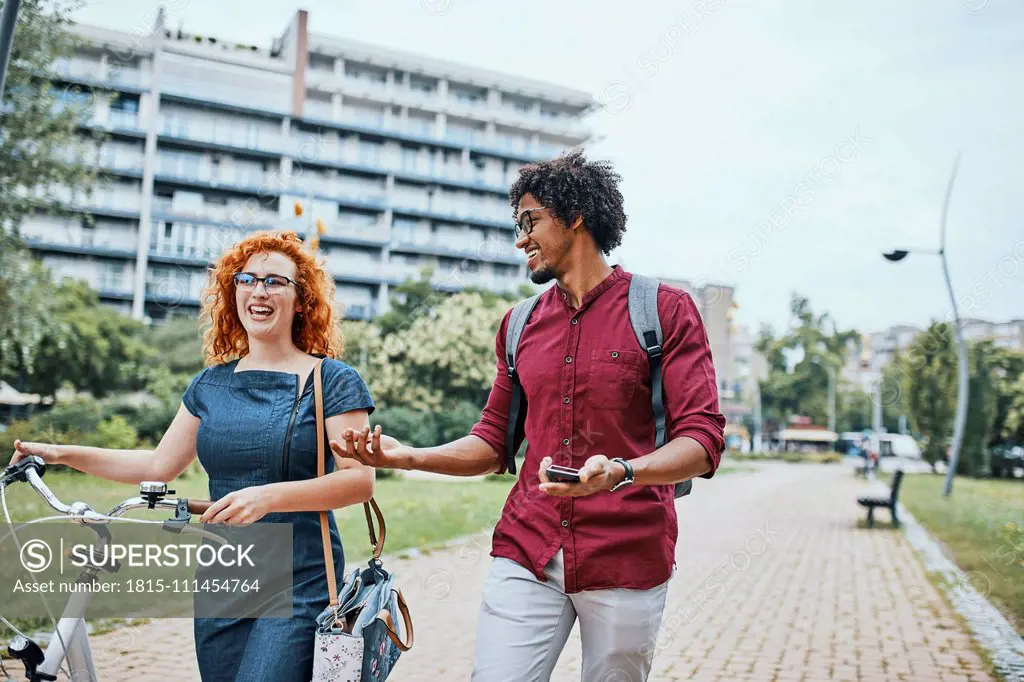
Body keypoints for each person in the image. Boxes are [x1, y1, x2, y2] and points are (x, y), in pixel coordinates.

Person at [339, 150, 727, 682]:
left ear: (575, 216)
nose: (520, 238)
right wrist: (406, 455)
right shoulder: (518, 326)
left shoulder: (663, 310)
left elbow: (703, 442)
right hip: (528, 547)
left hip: (627, 556)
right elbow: (493, 441)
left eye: (530, 221)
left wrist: (619, 472)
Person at [10, 230, 376, 681]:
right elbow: (156, 466)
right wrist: (60, 452)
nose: (258, 291)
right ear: (233, 292)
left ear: (301, 301)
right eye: (247, 280)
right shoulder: (209, 385)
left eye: (275, 282)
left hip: (299, 576)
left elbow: (359, 482)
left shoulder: (332, 380)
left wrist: (265, 497)